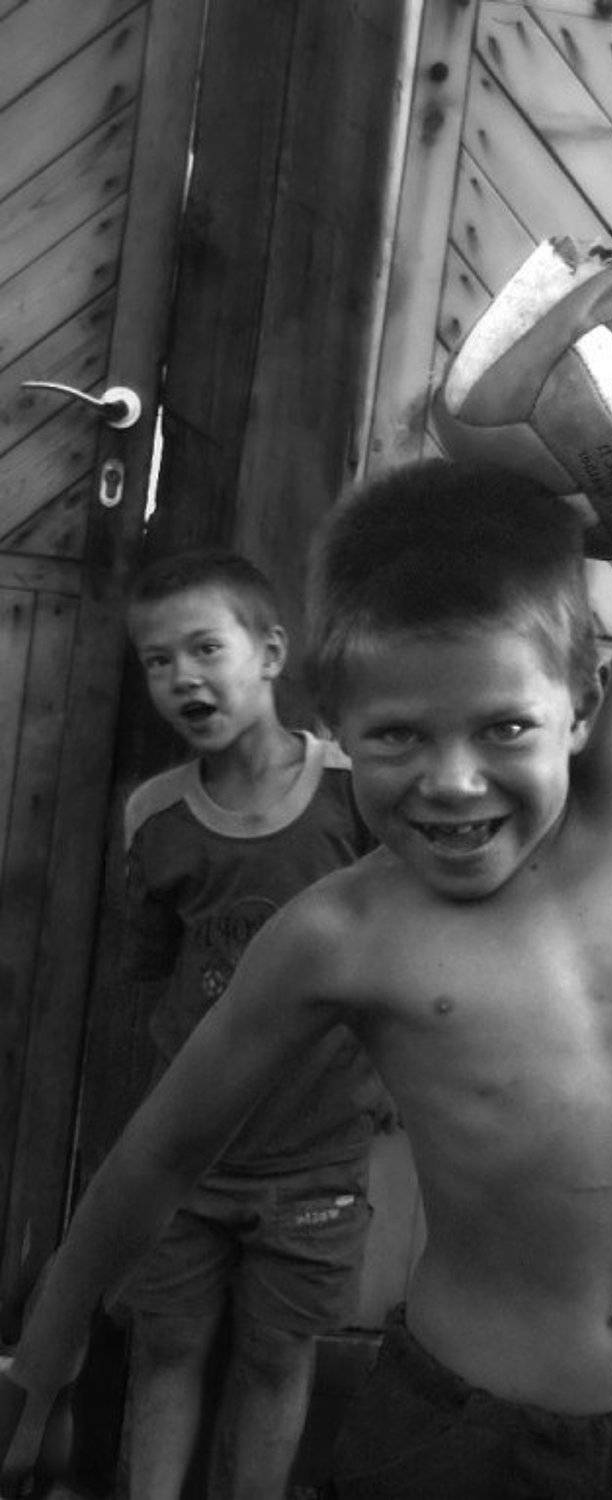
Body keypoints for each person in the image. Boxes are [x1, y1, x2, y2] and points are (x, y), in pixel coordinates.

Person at [1, 39, 612, 1499]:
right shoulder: (342, 933)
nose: (449, 782)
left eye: (501, 727)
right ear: (332, 722)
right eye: (395, 737)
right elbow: (157, 1158)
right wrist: (39, 1362)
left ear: (580, 701)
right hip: (467, 1443)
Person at [106, 550, 382, 1498]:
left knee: (275, 1359)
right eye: (157, 661)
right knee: (166, 1347)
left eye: (204, 649)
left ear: (268, 653)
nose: (182, 677)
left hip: (316, 1159)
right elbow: (151, 974)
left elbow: (407, 944)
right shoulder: (154, 818)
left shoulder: (356, 793)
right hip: (185, 1158)